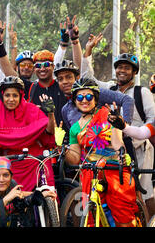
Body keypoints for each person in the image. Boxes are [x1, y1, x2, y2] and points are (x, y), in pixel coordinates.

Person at [81, 39, 155, 211]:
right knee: (120, 191)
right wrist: (88, 52)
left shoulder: (141, 92)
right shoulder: (109, 89)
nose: (122, 71)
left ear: (134, 72)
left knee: (143, 193)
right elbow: (87, 80)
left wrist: (136, 131)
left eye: (127, 68)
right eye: (119, 67)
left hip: (139, 149)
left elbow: (152, 119)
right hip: (114, 149)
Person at [64, 78, 139, 227]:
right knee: (91, 218)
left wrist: (122, 155)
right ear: (74, 100)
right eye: (79, 97)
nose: (84, 100)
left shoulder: (109, 116)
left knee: (123, 217)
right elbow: (74, 159)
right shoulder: (74, 129)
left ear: (96, 98)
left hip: (115, 170)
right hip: (91, 175)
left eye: (88, 96)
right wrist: (61, 148)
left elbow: (117, 141)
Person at [0, 76, 57, 192]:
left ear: (21, 96)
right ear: (2, 96)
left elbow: (49, 133)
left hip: (35, 160)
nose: (11, 99)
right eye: (7, 95)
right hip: (10, 162)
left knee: (47, 196)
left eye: (15, 95)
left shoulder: (32, 109)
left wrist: (51, 114)